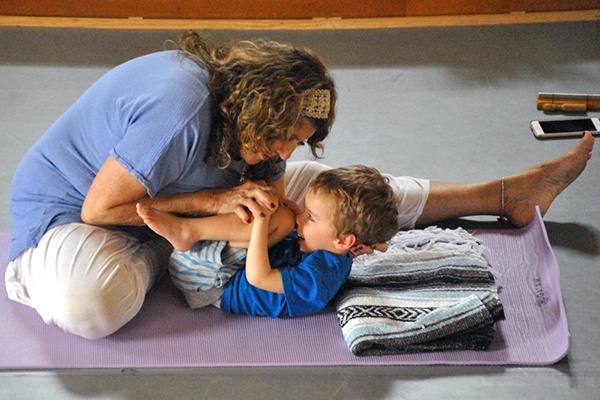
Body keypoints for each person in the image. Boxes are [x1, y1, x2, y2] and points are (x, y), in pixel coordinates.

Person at [5, 31, 337, 339]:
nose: (285, 152)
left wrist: (281, 216)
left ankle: (386, 200)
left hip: (163, 206)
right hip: (76, 212)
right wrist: (209, 203)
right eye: (286, 137)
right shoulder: (181, 109)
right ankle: (163, 253)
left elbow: (273, 209)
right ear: (263, 111)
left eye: (298, 142)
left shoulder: (258, 126)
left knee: (305, 202)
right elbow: (99, 209)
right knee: (89, 305)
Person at [136, 165, 399, 317]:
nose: (302, 218)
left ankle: (186, 230)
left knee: (278, 219)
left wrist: (262, 220)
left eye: (311, 217)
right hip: (230, 267)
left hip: (210, 282)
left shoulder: (318, 278)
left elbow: (258, 278)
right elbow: (370, 242)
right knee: (284, 217)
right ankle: (188, 228)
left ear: (343, 240)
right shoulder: (340, 245)